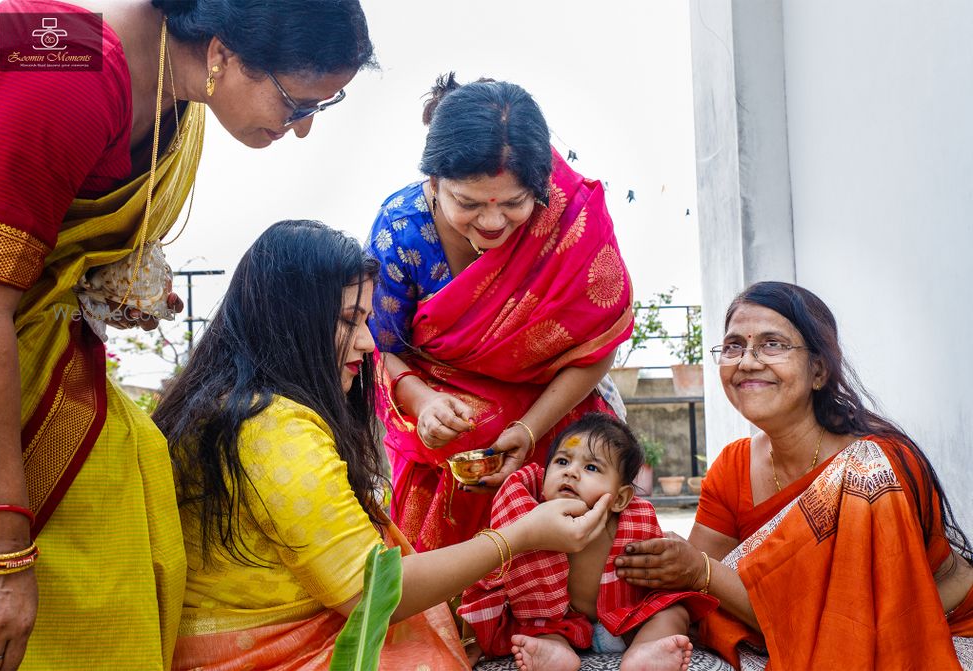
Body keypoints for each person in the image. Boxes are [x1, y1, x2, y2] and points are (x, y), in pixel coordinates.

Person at [0, 0, 374, 667]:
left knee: (139, 489)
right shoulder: (63, 65)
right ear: (224, 51)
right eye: (298, 104)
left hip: (31, 343)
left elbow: (50, 250)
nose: (300, 130)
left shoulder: (171, 96)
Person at [152, 220, 614, 670]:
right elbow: (374, 590)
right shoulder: (274, 431)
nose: (369, 342)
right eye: (349, 321)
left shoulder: (228, 404)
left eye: (368, 320)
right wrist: (520, 537)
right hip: (280, 655)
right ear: (291, 321)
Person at [613, 281, 973, 669]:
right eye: (734, 346)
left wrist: (701, 571)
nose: (747, 361)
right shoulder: (733, 467)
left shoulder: (874, 468)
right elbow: (693, 587)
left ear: (818, 370)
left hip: (924, 636)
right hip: (795, 639)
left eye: (772, 344)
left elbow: (851, 616)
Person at [367, 73, 634, 552]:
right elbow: (379, 348)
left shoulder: (570, 217)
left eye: (515, 204)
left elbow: (599, 342)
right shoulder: (401, 231)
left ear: (543, 187)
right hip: (445, 461)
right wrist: (423, 401)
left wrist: (529, 431)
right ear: (433, 181)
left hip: (559, 434)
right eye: (467, 203)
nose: (492, 223)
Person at [459, 413, 715, 671]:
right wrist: (474, 635)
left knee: (673, 612)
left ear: (620, 498)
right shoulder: (530, 516)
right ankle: (556, 652)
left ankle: (645, 652)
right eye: (562, 461)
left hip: (630, 617)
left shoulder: (632, 524)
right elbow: (492, 579)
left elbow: (659, 579)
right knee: (530, 624)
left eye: (591, 468)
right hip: (561, 622)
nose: (571, 472)